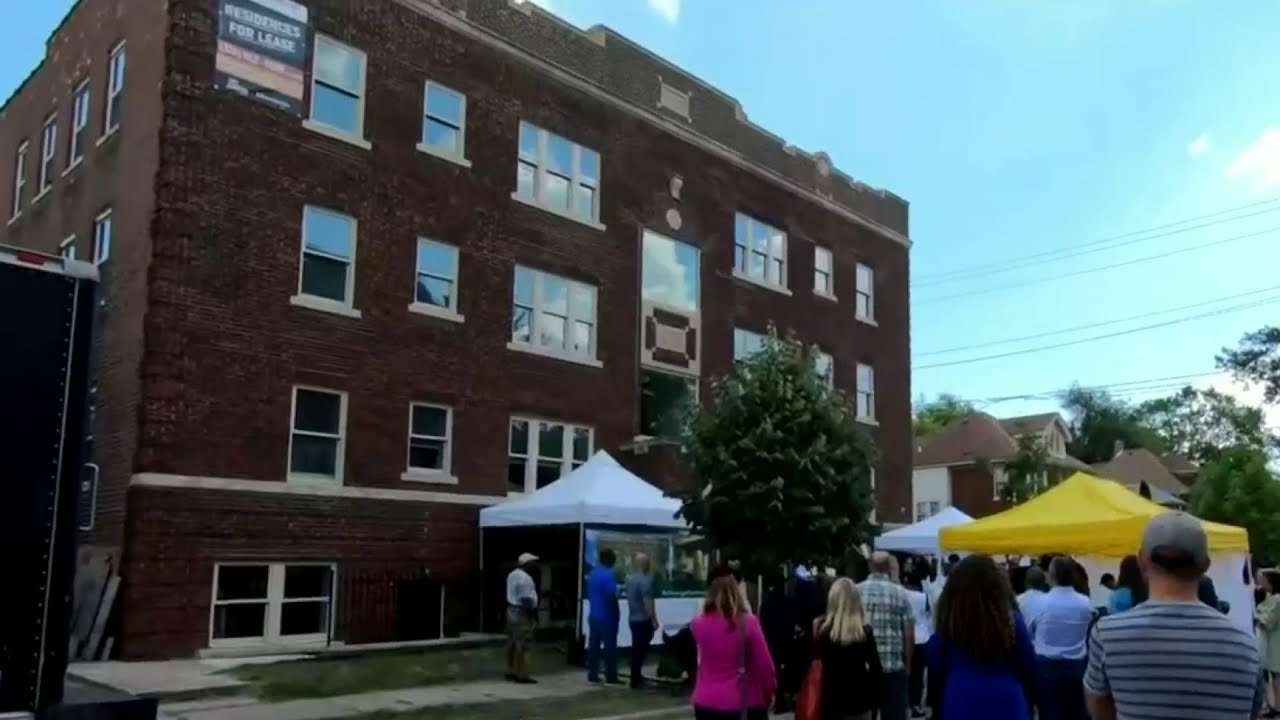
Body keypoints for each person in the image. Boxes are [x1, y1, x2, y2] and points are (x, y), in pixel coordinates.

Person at [1085, 512, 1263, 719]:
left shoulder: (1107, 635)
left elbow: (1099, 708)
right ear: (1205, 565)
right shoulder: (1246, 645)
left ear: (1142, 561)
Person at [926, 554, 1036, 720]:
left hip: (960, 696)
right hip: (1006, 697)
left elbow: (935, 660)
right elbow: (1028, 662)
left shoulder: (951, 619)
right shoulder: (1010, 619)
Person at [691, 574, 777, 720]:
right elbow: (765, 666)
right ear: (737, 594)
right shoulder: (749, 623)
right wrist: (770, 691)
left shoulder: (698, 624)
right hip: (743, 702)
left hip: (705, 701)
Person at [1031, 556, 1093, 720]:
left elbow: (1032, 630)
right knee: (1076, 714)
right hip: (1077, 666)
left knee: (1050, 714)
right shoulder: (1085, 603)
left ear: (1051, 575)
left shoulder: (1041, 602)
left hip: (1046, 666)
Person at [813, 577, 882, 720]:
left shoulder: (824, 633)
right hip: (860, 701)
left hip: (832, 702)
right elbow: (876, 668)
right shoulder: (864, 633)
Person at [857, 551, 915, 720]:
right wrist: (908, 665)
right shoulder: (900, 593)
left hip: (864, 667)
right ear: (889, 567)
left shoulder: (856, 591)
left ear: (870, 566)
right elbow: (909, 633)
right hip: (893, 665)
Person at [586, 549, 622, 685]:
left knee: (593, 647)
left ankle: (592, 673)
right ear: (610, 560)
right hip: (607, 617)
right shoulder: (609, 575)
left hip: (594, 615)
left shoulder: (593, 573)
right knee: (610, 648)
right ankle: (611, 676)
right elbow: (611, 596)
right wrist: (616, 612)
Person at [505, 552, 540, 684]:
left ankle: (511, 670)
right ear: (527, 564)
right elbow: (527, 601)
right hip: (521, 612)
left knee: (512, 643)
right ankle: (522, 674)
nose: (535, 565)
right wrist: (532, 618)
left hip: (511, 610)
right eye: (533, 563)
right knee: (524, 644)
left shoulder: (511, 575)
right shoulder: (526, 579)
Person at [625, 553, 659, 688]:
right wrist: (654, 619)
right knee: (640, 650)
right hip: (643, 620)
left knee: (636, 650)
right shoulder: (645, 581)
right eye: (648, 563)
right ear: (645, 564)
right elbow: (648, 603)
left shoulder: (630, 580)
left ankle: (636, 676)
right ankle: (636, 680)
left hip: (633, 619)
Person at [904, 575, 931, 718]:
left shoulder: (901, 595)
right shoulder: (923, 597)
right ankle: (916, 704)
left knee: (907, 673)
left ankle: (907, 703)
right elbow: (929, 613)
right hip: (921, 638)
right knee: (918, 674)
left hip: (906, 636)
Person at [1255, 570, 1280, 717]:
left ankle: (1277, 707)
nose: (1260, 583)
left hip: (1275, 641)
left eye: (1263, 580)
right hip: (1273, 641)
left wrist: (1257, 614)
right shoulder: (1272, 598)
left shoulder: (1276, 600)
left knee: (1276, 676)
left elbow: (1269, 621)